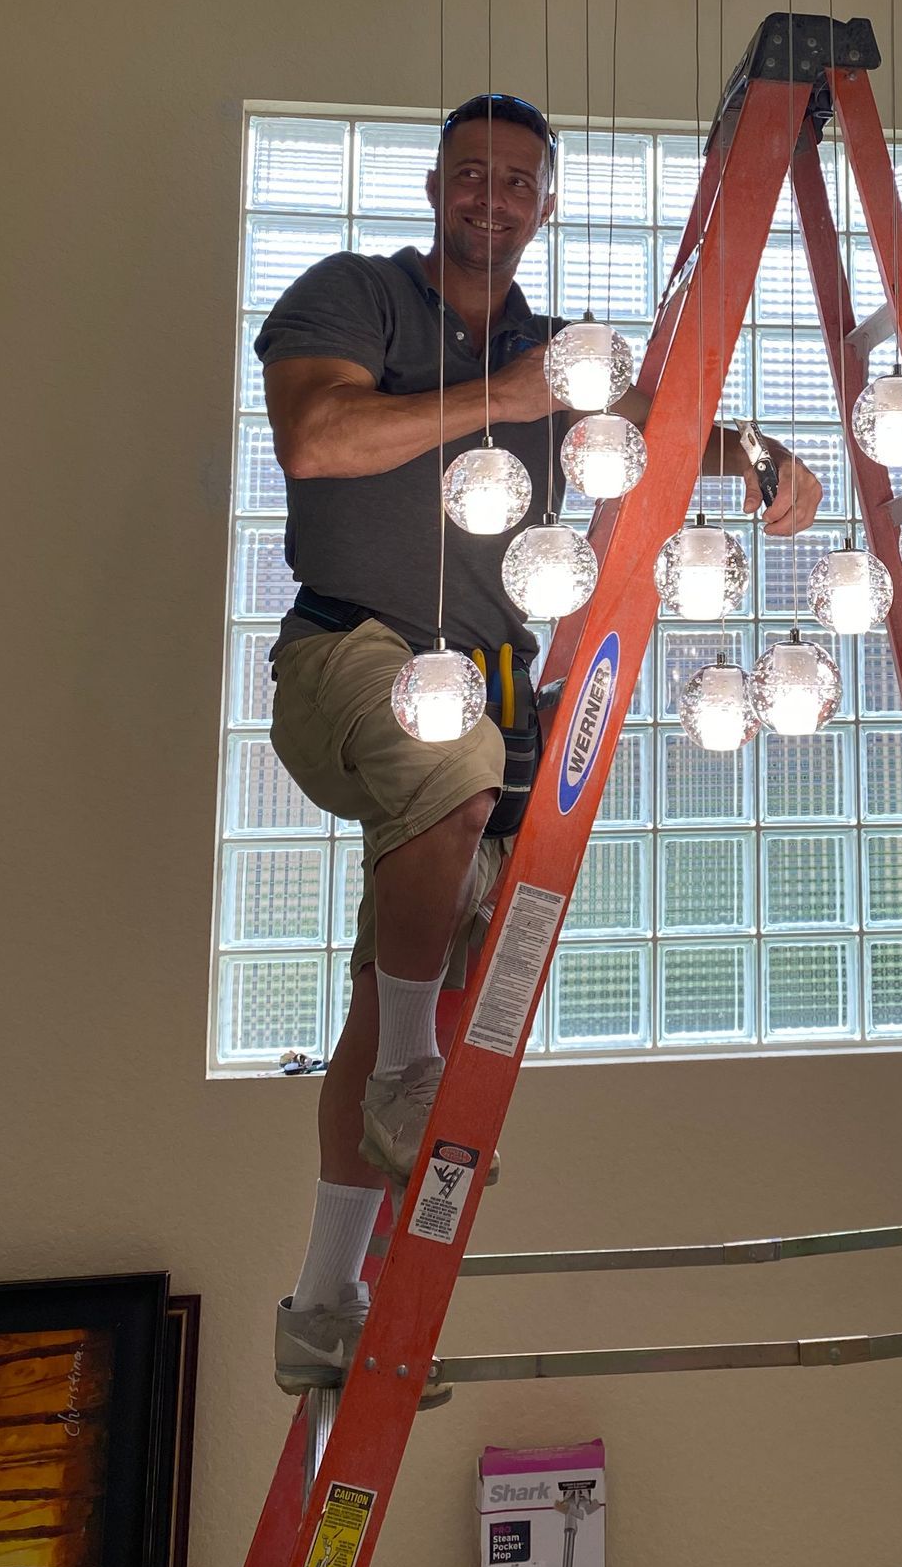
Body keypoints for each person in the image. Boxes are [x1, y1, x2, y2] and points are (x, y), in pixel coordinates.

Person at [256, 92, 821, 1391]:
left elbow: (644, 438)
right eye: (471, 175)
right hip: (349, 657)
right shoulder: (354, 298)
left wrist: (757, 459)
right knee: (451, 776)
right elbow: (318, 435)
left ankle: (323, 1301)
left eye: (518, 183)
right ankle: (414, 1069)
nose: (491, 200)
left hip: (494, 683)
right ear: (436, 185)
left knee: (411, 944)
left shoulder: (553, 351)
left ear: (544, 206)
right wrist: (499, 395)